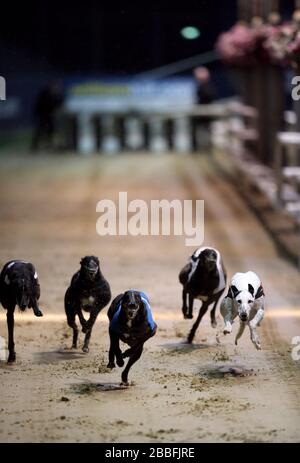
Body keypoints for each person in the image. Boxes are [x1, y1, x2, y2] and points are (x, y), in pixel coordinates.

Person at [31, 80, 64, 151]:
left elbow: (59, 104)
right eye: (54, 86)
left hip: (50, 116)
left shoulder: (58, 95)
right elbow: (40, 105)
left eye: (57, 86)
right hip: (42, 114)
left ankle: (49, 145)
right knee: (40, 130)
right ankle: (34, 146)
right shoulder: (44, 93)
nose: (56, 88)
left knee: (51, 130)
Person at [192, 66, 216, 152]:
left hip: (207, 113)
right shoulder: (200, 86)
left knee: (206, 130)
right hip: (201, 113)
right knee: (201, 131)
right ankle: (202, 147)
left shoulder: (207, 87)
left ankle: (206, 147)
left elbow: (209, 97)